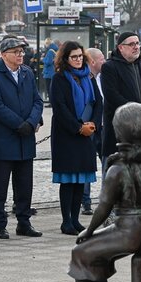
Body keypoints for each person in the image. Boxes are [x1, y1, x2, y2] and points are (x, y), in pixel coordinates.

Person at [54, 103, 141, 282]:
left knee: (81, 251)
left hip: (131, 231)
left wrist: (90, 230)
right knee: (96, 254)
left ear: (119, 132)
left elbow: (103, 207)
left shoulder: (118, 169)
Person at [0, 37, 44, 239]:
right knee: (0, 185)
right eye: (16, 51)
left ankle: (24, 222)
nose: (20, 55)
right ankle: (0, 224)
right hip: (4, 139)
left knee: (25, 184)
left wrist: (32, 121)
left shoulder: (27, 72)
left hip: (25, 139)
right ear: (4, 55)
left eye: (21, 51)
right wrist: (20, 124)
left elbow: (37, 100)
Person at [50, 41, 102, 235]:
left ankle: (76, 219)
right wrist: (79, 128)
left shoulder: (87, 76)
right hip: (67, 135)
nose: (78, 60)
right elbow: (60, 108)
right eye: (74, 57)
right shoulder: (59, 78)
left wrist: (93, 124)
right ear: (66, 58)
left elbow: (98, 103)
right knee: (69, 180)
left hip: (87, 133)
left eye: (80, 56)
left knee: (81, 179)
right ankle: (66, 221)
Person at [100, 32, 141, 161]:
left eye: (137, 43)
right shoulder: (109, 67)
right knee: (115, 174)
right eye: (131, 44)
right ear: (121, 47)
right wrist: (136, 114)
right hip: (118, 129)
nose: (136, 47)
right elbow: (112, 95)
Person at [82, 48, 105, 215]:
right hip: (88, 127)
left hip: (103, 127)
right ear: (93, 61)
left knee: (107, 163)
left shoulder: (105, 77)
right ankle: (86, 201)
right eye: (102, 59)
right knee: (86, 164)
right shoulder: (83, 78)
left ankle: (106, 199)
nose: (105, 62)